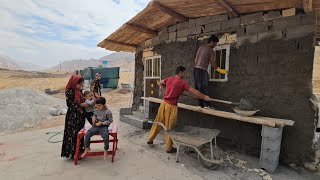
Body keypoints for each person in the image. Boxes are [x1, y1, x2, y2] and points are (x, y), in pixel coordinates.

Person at [147, 66, 212, 153]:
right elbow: (193, 91)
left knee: (158, 121)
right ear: (180, 72)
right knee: (169, 126)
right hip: (171, 106)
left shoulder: (169, 79)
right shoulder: (182, 82)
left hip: (163, 104)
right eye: (184, 72)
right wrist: (204, 96)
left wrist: (168, 89)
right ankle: (169, 148)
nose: (185, 74)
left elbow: (160, 83)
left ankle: (150, 139)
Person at [194, 35, 228, 108]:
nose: (215, 45)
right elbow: (212, 63)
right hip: (202, 70)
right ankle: (207, 105)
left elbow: (196, 59)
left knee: (198, 87)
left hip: (196, 69)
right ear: (212, 42)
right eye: (215, 43)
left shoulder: (201, 47)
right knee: (204, 87)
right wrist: (220, 70)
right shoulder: (210, 50)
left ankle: (200, 104)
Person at [61, 75, 89, 158]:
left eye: (82, 84)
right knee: (73, 134)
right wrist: (81, 105)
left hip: (80, 117)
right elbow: (70, 104)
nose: (81, 86)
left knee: (79, 134)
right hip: (73, 117)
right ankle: (73, 153)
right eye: (79, 84)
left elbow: (83, 99)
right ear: (74, 83)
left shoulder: (79, 91)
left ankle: (79, 151)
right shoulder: (70, 91)